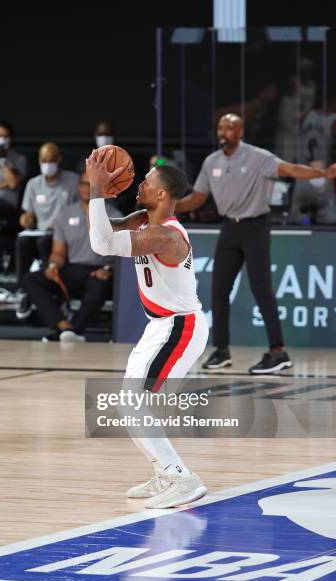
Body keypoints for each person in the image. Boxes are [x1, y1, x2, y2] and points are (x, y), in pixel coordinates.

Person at [86, 148, 209, 509]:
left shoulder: (166, 236)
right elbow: (100, 235)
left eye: (147, 181)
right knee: (128, 404)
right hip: (160, 327)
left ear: (162, 195)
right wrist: (100, 193)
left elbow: (104, 244)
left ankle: (182, 477)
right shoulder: (143, 218)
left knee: (132, 402)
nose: (140, 182)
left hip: (180, 328)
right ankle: (165, 472)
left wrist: (95, 189)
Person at [176, 113, 333, 374]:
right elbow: (198, 197)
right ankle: (221, 350)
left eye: (229, 128)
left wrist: (322, 173)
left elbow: (291, 169)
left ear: (240, 133)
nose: (223, 132)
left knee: (262, 289)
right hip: (229, 228)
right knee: (219, 290)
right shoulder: (211, 161)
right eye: (220, 128)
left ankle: (278, 352)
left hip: (255, 227)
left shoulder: (257, 157)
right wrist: (170, 206)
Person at [22, 173, 120, 342]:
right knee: (30, 279)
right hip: (73, 268)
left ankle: (73, 330)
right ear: (78, 186)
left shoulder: (115, 215)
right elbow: (58, 253)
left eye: (92, 184)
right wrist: (53, 265)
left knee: (99, 286)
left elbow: (122, 252)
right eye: (83, 184)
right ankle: (64, 327)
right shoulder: (65, 214)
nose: (87, 188)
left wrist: (109, 269)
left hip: (100, 269)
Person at [16, 142, 79, 319]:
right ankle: (23, 291)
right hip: (39, 231)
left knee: (44, 242)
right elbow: (27, 214)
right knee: (22, 242)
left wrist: (62, 223)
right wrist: (26, 219)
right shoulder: (33, 184)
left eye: (51, 160)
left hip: (64, 232)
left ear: (59, 159)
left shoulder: (72, 181)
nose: (47, 164)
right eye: (44, 160)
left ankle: (53, 290)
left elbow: (79, 209)